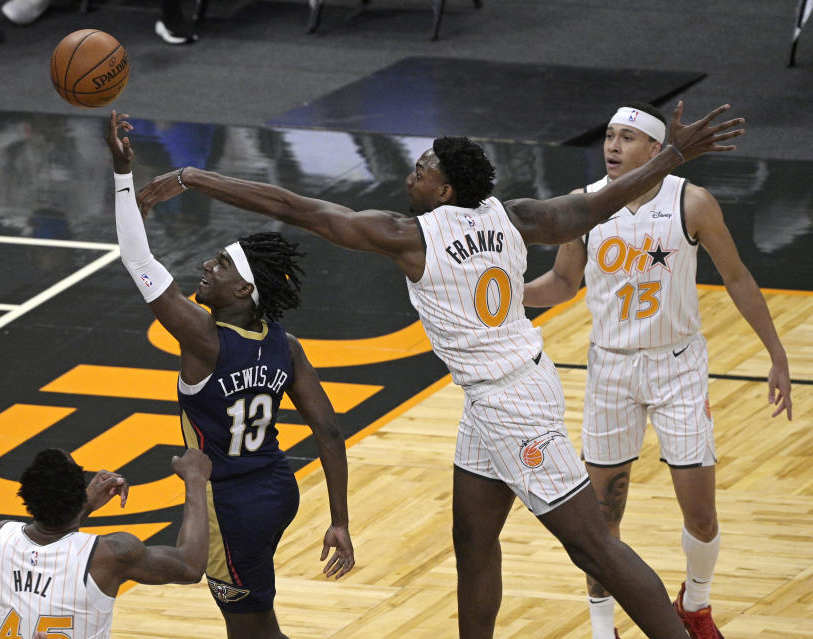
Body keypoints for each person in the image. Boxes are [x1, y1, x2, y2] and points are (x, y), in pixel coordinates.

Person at [135, 101, 745, 638]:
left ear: (446, 191)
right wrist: (667, 157)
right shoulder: (516, 217)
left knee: (594, 547)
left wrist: (196, 177)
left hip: (513, 405)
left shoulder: (410, 237)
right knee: (473, 544)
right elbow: (592, 207)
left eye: (424, 168)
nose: (412, 172)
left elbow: (300, 209)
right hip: (498, 395)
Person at [523, 101, 792, 639]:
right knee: (600, 520)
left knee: (702, 515)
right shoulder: (585, 205)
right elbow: (562, 284)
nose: (613, 146)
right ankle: (603, 628)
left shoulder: (692, 202)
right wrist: (503, 297)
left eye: (627, 137)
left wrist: (777, 354)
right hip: (611, 370)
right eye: (609, 136)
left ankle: (696, 604)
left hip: (678, 366)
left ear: (654, 149)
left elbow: (737, 278)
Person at [106, 111, 355, 639]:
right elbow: (329, 433)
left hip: (230, 506)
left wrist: (122, 174)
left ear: (243, 291)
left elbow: (137, 259)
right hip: (277, 489)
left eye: (221, 264)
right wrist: (339, 519)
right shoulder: (286, 344)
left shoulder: (204, 338)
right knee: (257, 623)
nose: (206, 266)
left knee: (250, 632)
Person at [0, 447, 212, 639]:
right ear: (78, 495)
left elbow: (52, 541)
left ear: (27, 496)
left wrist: (85, 504)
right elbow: (191, 565)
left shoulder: (0, 536)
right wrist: (195, 479)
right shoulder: (111, 554)